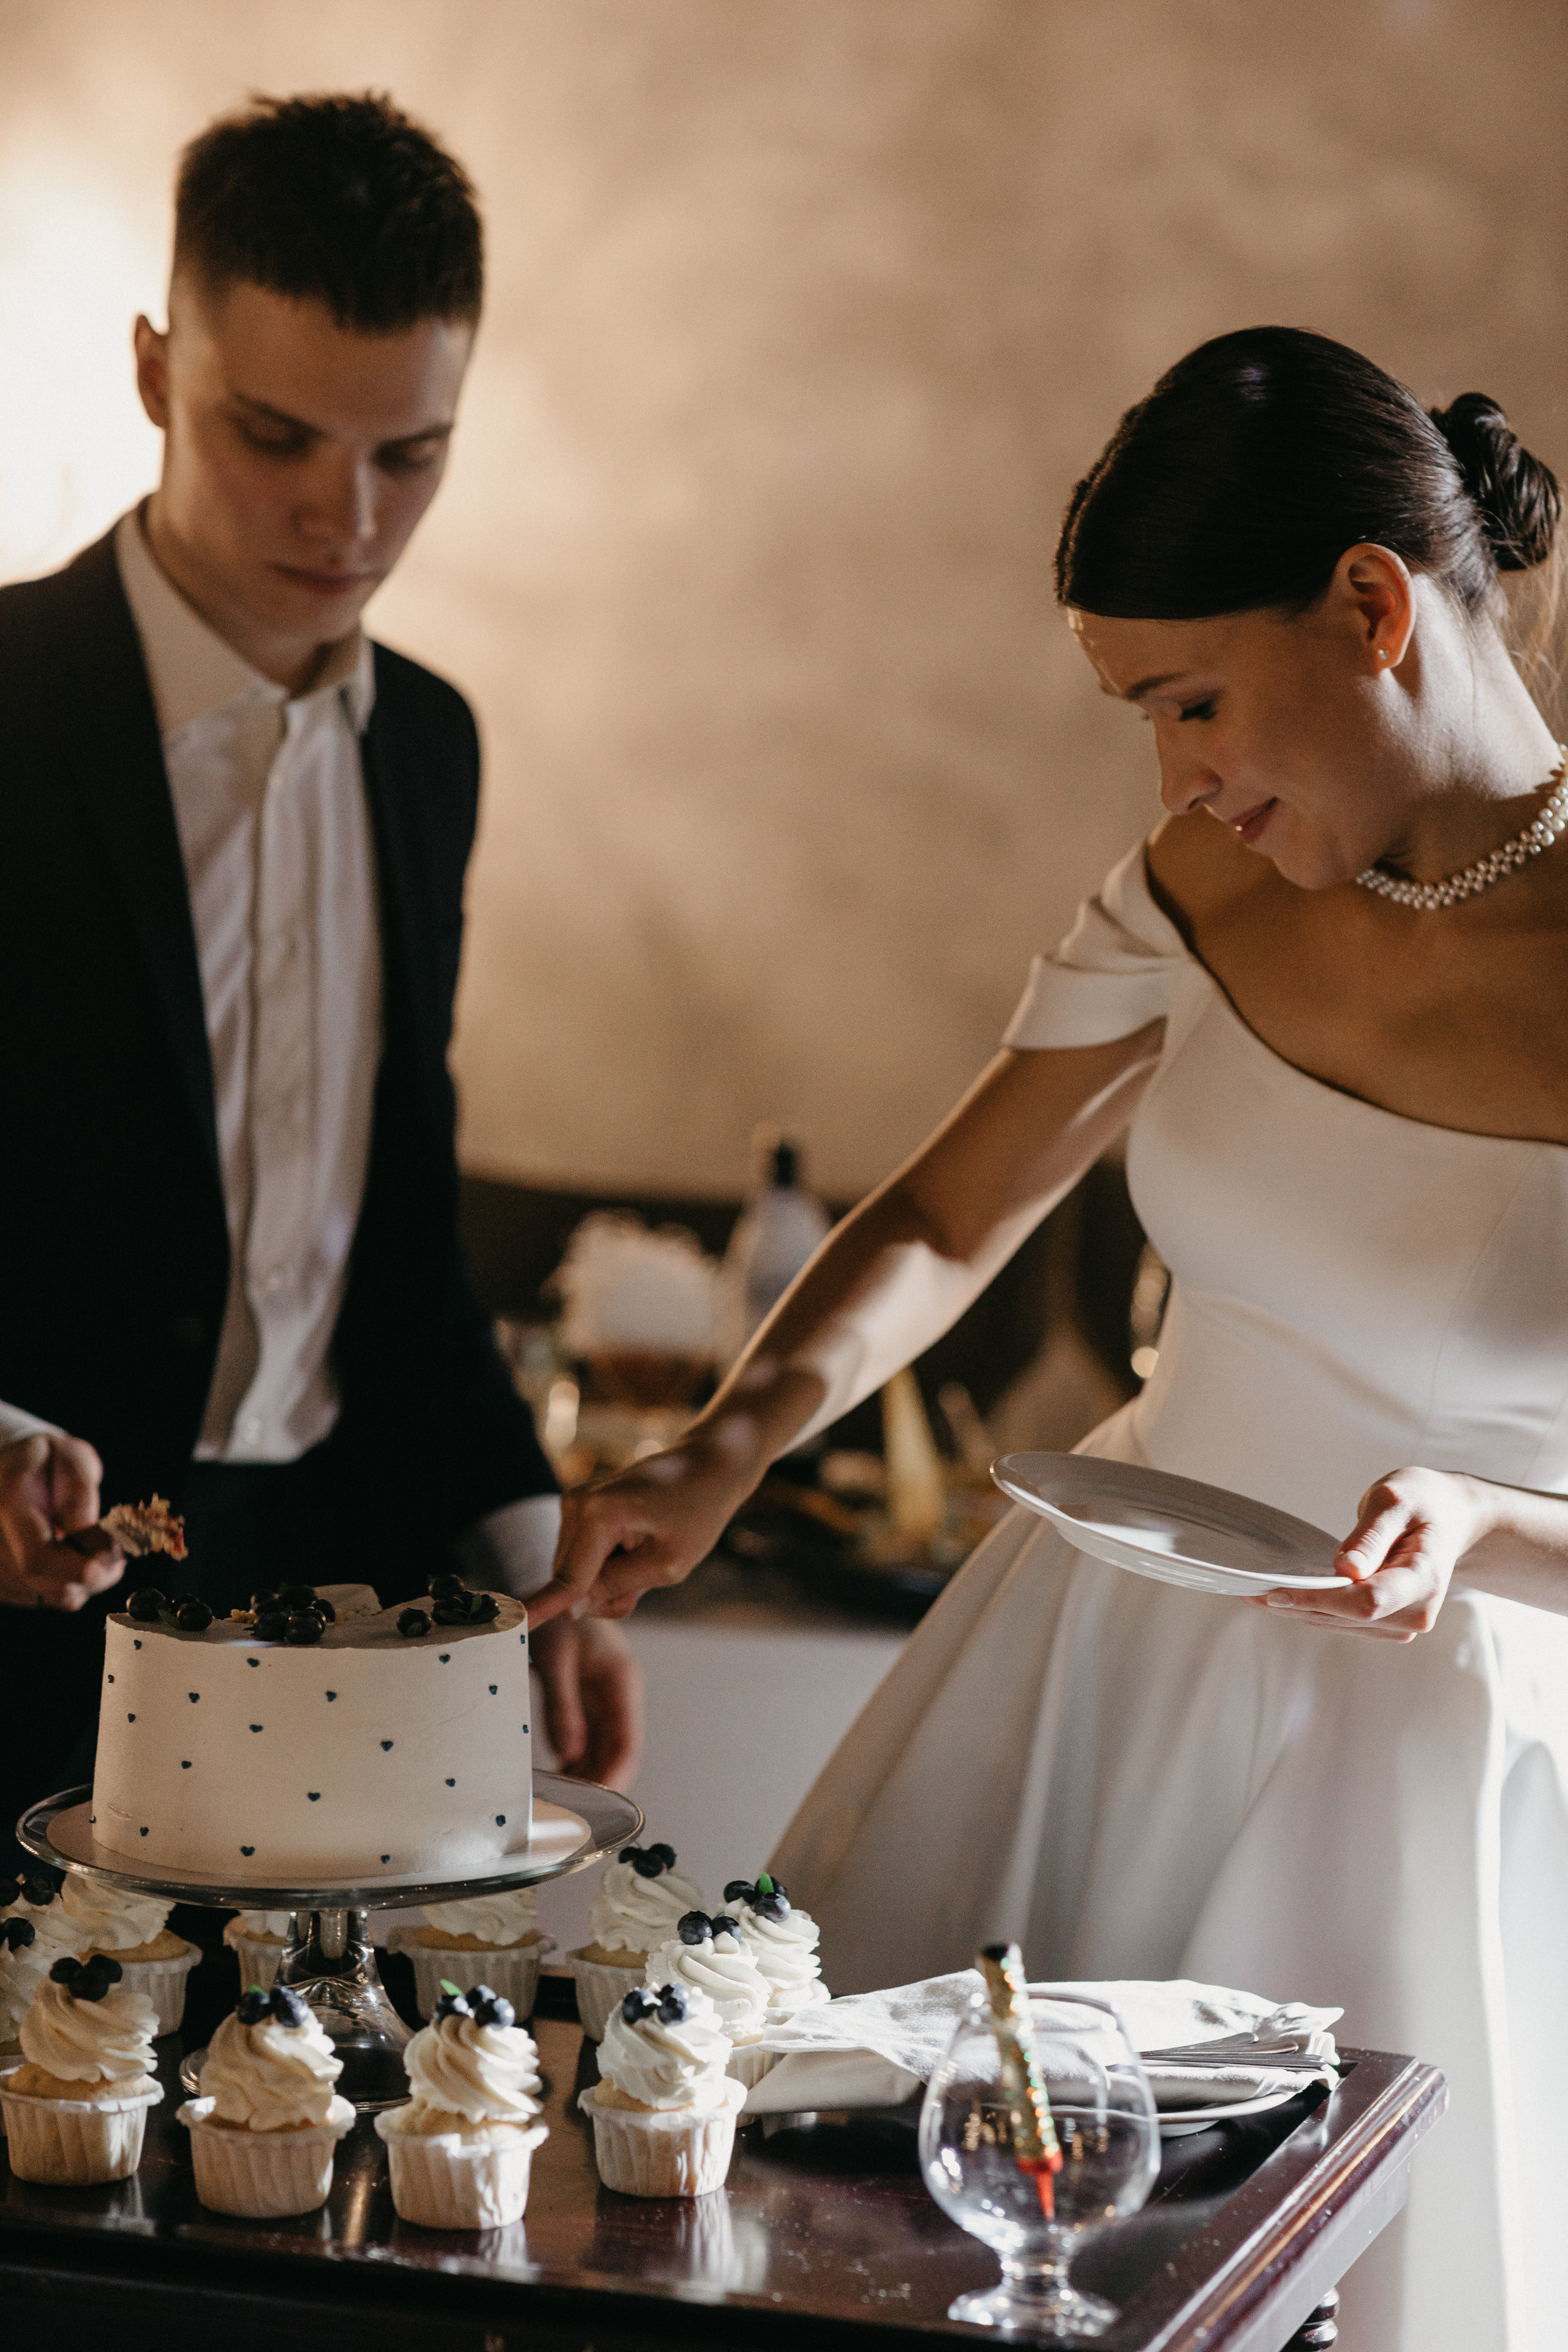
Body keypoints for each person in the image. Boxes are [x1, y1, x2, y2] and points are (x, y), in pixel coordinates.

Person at [532, 328, 1568, 2349]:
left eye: (1191, 700)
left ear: (1372, 606)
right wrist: (722, 1450)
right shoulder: (1203, 881)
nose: (1177, 775)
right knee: (875, 2264)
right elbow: (943, 1215)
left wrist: (1489, 1521)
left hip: (1431, 1759)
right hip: (1090, 1662)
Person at [0, 93, 639, 1849]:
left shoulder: (429, 744)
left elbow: (397, 1212)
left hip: (346, 1611)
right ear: (151, 368)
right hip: (23, 1618)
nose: (341, 516)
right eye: (272, 434)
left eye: (406, 454)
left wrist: (528, 1542)